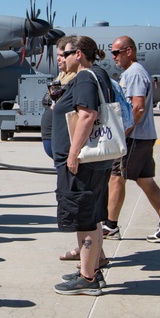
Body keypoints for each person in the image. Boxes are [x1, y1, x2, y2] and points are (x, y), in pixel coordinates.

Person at [50, 35, 116, 295]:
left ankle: (87, 278)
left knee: (83, 219)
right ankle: (92, 269)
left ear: (78, 54)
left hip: (83, 161)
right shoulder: (99, 75)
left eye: (65, 54)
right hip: (96, 161)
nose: (61, 59)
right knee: (92, 217)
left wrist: (73, 153)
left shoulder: (86, 77)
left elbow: (88, 114)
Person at [104, 36, 160, 243]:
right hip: (144, 136)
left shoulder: (134, 73)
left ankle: (110, 225)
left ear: (129, 51)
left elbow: (138, 106)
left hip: (135, 137)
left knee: (116, 177)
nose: (113, 57)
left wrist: (125, 131)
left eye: (116, 52)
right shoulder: (133, 73)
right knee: (145, 180)